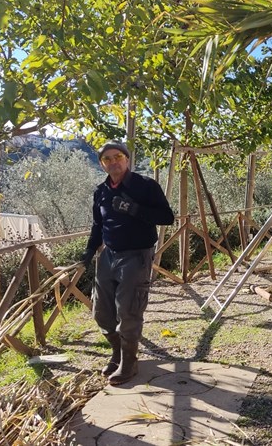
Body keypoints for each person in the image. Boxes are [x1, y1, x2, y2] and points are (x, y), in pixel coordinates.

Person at [81, 141, 174, 385]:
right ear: (102, 164)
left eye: (118, 157)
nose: (113, 162)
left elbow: (167, 217)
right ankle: (117, 353)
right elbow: (98, 225)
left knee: (129, 310)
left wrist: (134, 209)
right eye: (107, 159)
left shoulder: (145, 186)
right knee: (102, 312)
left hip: (137, 255)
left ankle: (129, 363)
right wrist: (89, 251)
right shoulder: (101, 191)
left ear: (127, 159)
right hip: (108, 255)